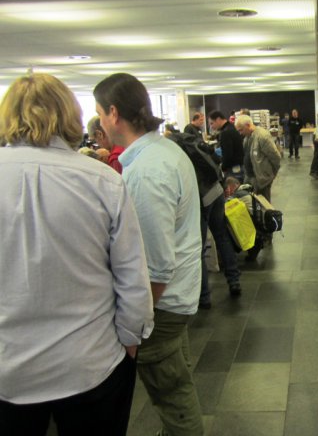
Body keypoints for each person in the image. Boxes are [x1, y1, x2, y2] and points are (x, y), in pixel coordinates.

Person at [0, 73, 153, 436]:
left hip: (8, 368)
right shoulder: (102, 181)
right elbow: (132, 277)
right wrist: (130, 341)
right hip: (90, 361)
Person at [94, 73, 204, 436]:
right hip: (177, 296)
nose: (98, 123)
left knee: (172, 395)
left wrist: (137, 321)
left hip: (163, 304)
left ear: (113, 113)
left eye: (99, 113)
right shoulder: (161, 152)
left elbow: (155, 264)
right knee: (177, 384)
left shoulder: (146, 171)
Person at [235, 114, 281, 202]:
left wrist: (271, 174)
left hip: (261, 179)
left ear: (248, 125)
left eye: (241, 130)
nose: (240, 133)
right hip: (250, 176)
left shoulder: (262, 136)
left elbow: (275, 157)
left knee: (264, 204)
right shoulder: (247, 137)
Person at [208, 110, 244, 181]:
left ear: (218, 119)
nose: (211, 127)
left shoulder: (225, 133)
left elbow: (227, 154)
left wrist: (223, 167)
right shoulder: (231, 127)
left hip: (233, 169)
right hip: (238, 166)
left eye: (212, 123)